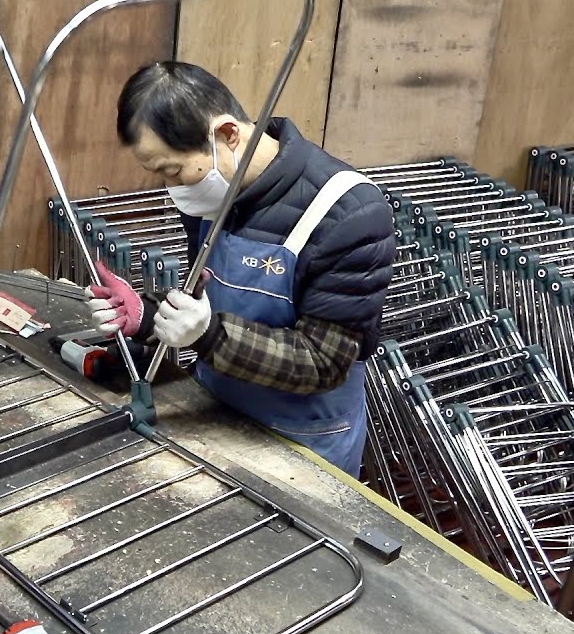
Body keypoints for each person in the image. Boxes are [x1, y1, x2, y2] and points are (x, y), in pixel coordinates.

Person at [85, 61, 395, 478]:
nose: (171, 187)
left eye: (173, 170)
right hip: (215, 414)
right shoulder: (213, 194)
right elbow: (206, 294)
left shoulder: (349, 213)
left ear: (228, 135)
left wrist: (209, 334)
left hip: (304, 444)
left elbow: (323, 361)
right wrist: (146, 314)